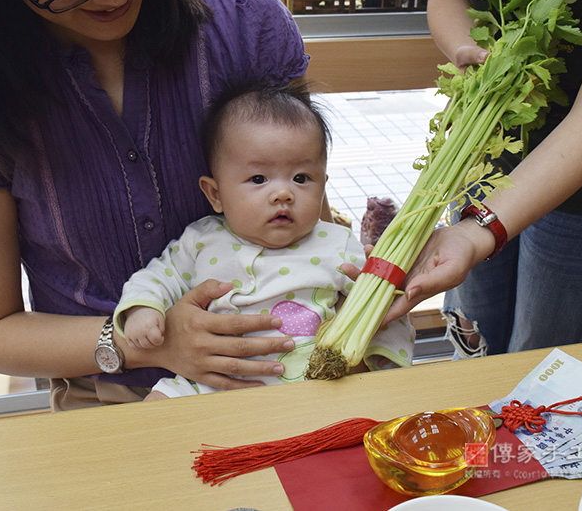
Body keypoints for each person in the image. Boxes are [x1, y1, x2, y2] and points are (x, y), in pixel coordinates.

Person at [0, 0, 319, 410]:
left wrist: (369, 292)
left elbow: (309, 223)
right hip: (108, 394)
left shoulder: (241, 22)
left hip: (283, 372)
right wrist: (147, 343)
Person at [373, 0, 582, 356]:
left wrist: (475, 231)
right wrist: (470, 52)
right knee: (474, 330)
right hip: (485, 156)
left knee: (542, 358)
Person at [115, 82, 414, 400]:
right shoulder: (201, 240)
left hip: (310, 381)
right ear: (215, 194)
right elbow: (157, 277)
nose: (283, 193)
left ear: (323, 185)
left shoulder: (336, 243)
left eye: (301, 178)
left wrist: (381, 362)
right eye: (258, 179)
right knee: (154, 409)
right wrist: (143, 310)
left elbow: (382, 306)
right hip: (212, 381)